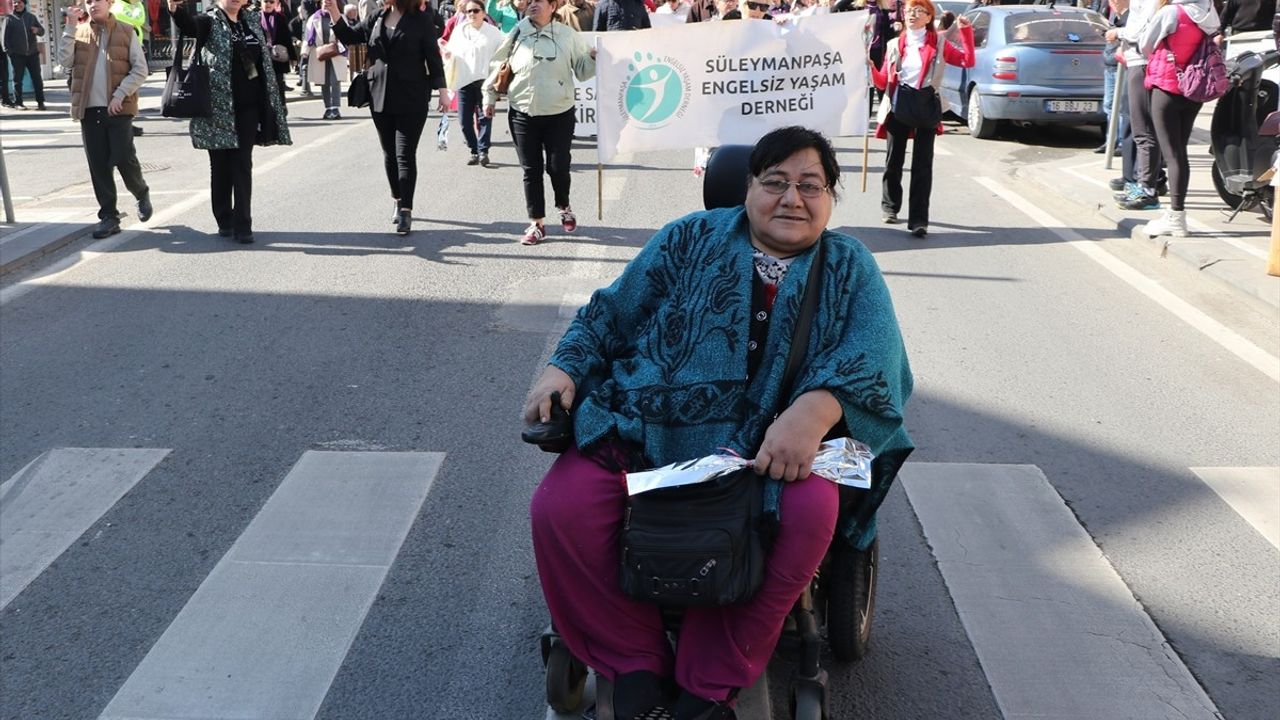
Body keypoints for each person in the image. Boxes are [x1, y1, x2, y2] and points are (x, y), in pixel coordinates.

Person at [525, 126, 913, 720]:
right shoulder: (689, 237)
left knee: (810, 513)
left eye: (810, 185)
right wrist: (563, 368)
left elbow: (877, 353)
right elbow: (610, 312)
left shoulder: (848, 265)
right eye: (775, 182)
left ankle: (708, 684)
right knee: (561, 507)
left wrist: (813, 411)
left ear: (830, 197)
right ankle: (634, 665)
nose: (792, 198)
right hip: (650, 428)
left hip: (771, 451)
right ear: (747, 187)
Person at [168, 0, 292, 244]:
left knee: (242, 163)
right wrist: (175, 9)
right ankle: (224, 219)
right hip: (217, 108)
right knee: (220, 165)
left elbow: (261, 62)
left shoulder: (252, 21)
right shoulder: (209, 21)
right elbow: (189, 26)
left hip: (249, 107)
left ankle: (243, 224)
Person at [328, 0, 448, 235]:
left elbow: (433, 58)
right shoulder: (376, 16)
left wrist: (443, 91)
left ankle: (406, 210)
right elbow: (351, 37)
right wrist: (334, 11)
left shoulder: (421, 20)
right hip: (380, 94)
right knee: (389, 154)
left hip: (412, 96)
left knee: (405, 154)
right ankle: (397, 198)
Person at [483, 0, 596, 245]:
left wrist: (593, 59)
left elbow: (582, 70)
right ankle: (537, 223)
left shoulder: (568, 35)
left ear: (552, 6)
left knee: (558, 167)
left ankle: (564, 205)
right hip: (522, 112)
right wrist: (489, 98)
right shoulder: (517, 33)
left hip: (559, 113)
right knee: (531, 170)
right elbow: (497, 66)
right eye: (530, 1)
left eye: (539, 1)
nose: (533, 4)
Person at [871, 0, 974, 237]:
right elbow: (883, 81)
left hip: (926, 107)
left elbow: (967, 61)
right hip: (898, 106)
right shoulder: (894, 44)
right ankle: (890, 206)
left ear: (929, 17)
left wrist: (966, 32)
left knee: (922, 166)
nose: (912, 14)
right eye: (909, 10)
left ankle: (919, 220)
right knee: (893, 161)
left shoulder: (939, 43)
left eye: (919, 11)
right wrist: (871, 70)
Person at [60, 0, 152, 239]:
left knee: (123, 158)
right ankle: (109, 216)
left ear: (109, 3)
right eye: (88, 1)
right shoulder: (78, 32)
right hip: (90, 110)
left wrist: (120, 94)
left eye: (97, 0)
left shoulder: (126, 30)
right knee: (99, 165)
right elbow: (65, 62)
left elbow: (140, 69)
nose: (93, 4)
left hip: (118, 109)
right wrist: (70, 26)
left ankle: (141, 192)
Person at [1139, 0, 1220, 237]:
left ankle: (1176, 217)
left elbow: (1145, 45)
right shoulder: (1208, 11)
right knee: (1179, 153)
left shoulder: (1171, 12)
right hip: (1195, 87)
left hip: (1167, 86)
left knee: (1172, 155)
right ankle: (1176, 214)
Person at [1116, 0, 1164, 210]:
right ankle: (1148, 185)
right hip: (1149, 63)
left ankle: (1147, 190)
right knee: (1150, 132)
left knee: (1144, 132)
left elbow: (1140, 34)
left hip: (1143, 62)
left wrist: (1118, 33)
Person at [444, 0, 502, 165]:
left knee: (485, 118)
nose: (472, 14)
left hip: (485, 81)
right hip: (464, 80)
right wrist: (447, 54)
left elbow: (501, 55)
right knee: (464, 121)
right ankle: (474, 149)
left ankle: (483, 151)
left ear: (483, 13)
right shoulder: (459, 31)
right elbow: (450, 50)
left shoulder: (493, 32)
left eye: (476, 11)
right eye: (468, 11)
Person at [301, 1, 347, 118]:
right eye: (324, 3)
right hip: (320, 53)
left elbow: (346, 34)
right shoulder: (314, 18)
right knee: (324, 82)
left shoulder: (339, 16)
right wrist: (305, 52)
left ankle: (335, 108)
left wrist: (344, 48)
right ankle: (328, 108)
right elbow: (307, 36)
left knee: (335, 80)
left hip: (336, 52)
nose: (326, 5)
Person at [2, 0, 45, 110]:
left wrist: (37, 30)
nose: (17, 5)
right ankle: (19, 102)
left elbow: (42, 31)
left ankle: (40, 102)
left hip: (32, 54)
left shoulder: (31, 17)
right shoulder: (9, 19)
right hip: (17, 55)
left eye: (19, 2)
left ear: (24, 4)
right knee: (17, 80)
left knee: (37, 78)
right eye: (15, 3)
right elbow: (4, 39)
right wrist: (10, 53)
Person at [261, 0, 295, 104]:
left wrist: (293, 56)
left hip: (277, 57)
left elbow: (287, 38)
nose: (268, 4)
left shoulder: (279, 18)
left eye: (271, 2)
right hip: (261, 58)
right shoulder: (255, 18)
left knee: (279, 84)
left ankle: (281, 107)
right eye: (265, 1)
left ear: (275, 4)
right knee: (263, 86)